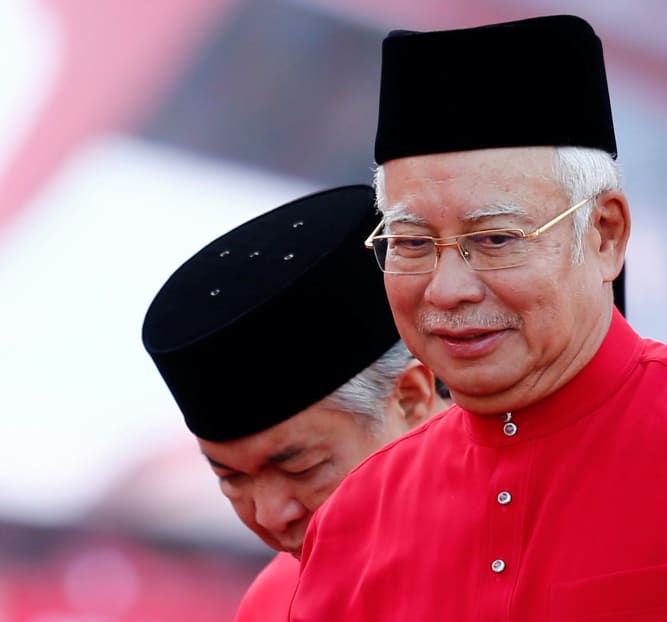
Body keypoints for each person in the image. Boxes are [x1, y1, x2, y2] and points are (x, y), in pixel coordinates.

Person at [288, 16, 667, 621]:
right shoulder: (356, 517)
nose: (447, 289)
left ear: (605, 235)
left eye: (494, 239)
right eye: (412, 243)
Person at [141, 185, 449, 622]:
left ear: (411, 398)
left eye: (300, 468)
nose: (269, 516)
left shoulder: (544, 531)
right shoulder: (276, 604)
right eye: (231, 479)